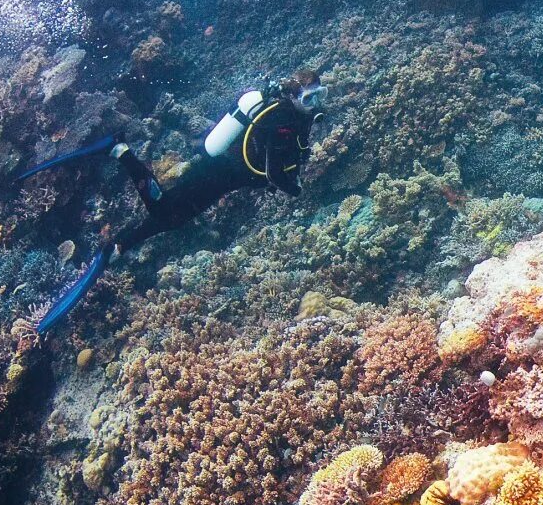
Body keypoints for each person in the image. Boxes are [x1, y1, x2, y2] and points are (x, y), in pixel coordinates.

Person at [18, 70, 327, 334]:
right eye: (309, 98)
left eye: (319, 96)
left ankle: (116, 245)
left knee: (169, 216)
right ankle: (119, 155)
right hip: (218, 174)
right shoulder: (283, 121)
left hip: (222, 174)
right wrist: (297, 190)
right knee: (169, 214)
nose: (315, 105)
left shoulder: (289, 117)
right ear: (293, 96)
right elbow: (273, 172)